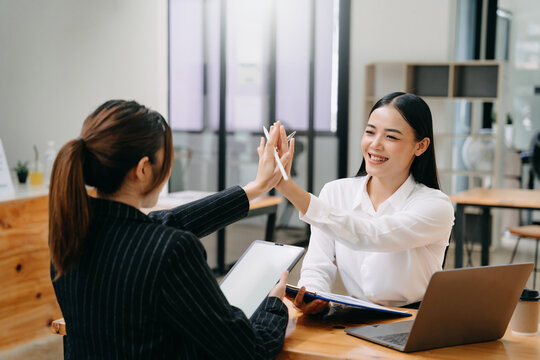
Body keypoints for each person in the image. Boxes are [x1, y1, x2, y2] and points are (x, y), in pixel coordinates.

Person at [49, 100, 292, 359]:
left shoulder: (70, 235)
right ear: (143, 169)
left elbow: (162, 224)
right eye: (166, 160)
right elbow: (247, 351)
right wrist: (274, 307)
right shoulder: (171, 251)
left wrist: (256, 187)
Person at [275, 92, 455, 313]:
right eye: (370, 132)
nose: (375, 144)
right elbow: (318, 266)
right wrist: (313, 296)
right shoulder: (335, 191)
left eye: (391, 137)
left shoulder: (436, 206)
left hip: (414, 319)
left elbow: (371, 235)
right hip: (352, 314)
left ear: (421, 146)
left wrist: (288, 188)